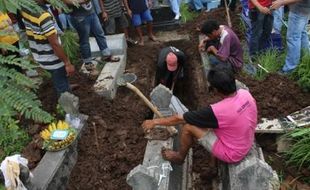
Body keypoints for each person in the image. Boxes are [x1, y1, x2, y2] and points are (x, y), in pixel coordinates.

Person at [142, 65, 258, 164]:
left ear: (216, 90)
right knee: (206, 123)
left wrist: (154, 122)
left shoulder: (217, 111)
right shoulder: (245, 94)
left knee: (188, 127)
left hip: (233, 153)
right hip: (246, 141)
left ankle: (180, 157)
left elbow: (179, 119)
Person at [21, 1, 75, 96]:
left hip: (39, 54)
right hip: (52, 58)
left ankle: (66, 87)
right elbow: (54, 44)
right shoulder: (43, 16)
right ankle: (68, 109)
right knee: (63, 89)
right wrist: (67, 63)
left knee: (60, 80)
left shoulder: (26, 8)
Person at [65, 0, 120, 72]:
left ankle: (106, 54)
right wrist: (83, 1)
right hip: (79, 16)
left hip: (91, 13)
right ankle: (88, 62)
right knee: (84, 40)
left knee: (100, 33)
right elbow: (66, 2)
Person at [271, 0, 310, 74]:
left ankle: (290, 69)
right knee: (302, 34)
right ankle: (305, 59)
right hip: (304, 9)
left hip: (299, 10)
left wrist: (281, 2)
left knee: (293, 38)